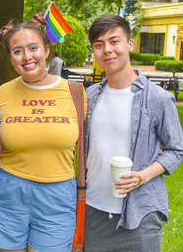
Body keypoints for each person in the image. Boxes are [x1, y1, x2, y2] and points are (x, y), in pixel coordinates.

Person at [84, 14, 183, 251]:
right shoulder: (89, 97)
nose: (107, 50)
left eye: (114, 41)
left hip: (140, 214)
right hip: (93, 210)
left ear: (129, 44)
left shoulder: (158, 99)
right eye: (99, 45)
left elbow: (176, 149)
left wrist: (143, 176)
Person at [0, 21, 87, 252]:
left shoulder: (75, 93)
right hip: (10, 191)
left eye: (33, 47)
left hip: (57, 194)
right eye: (17, 51)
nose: (26, 56)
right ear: (11, 58)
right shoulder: (1, 93)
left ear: (46, 50)